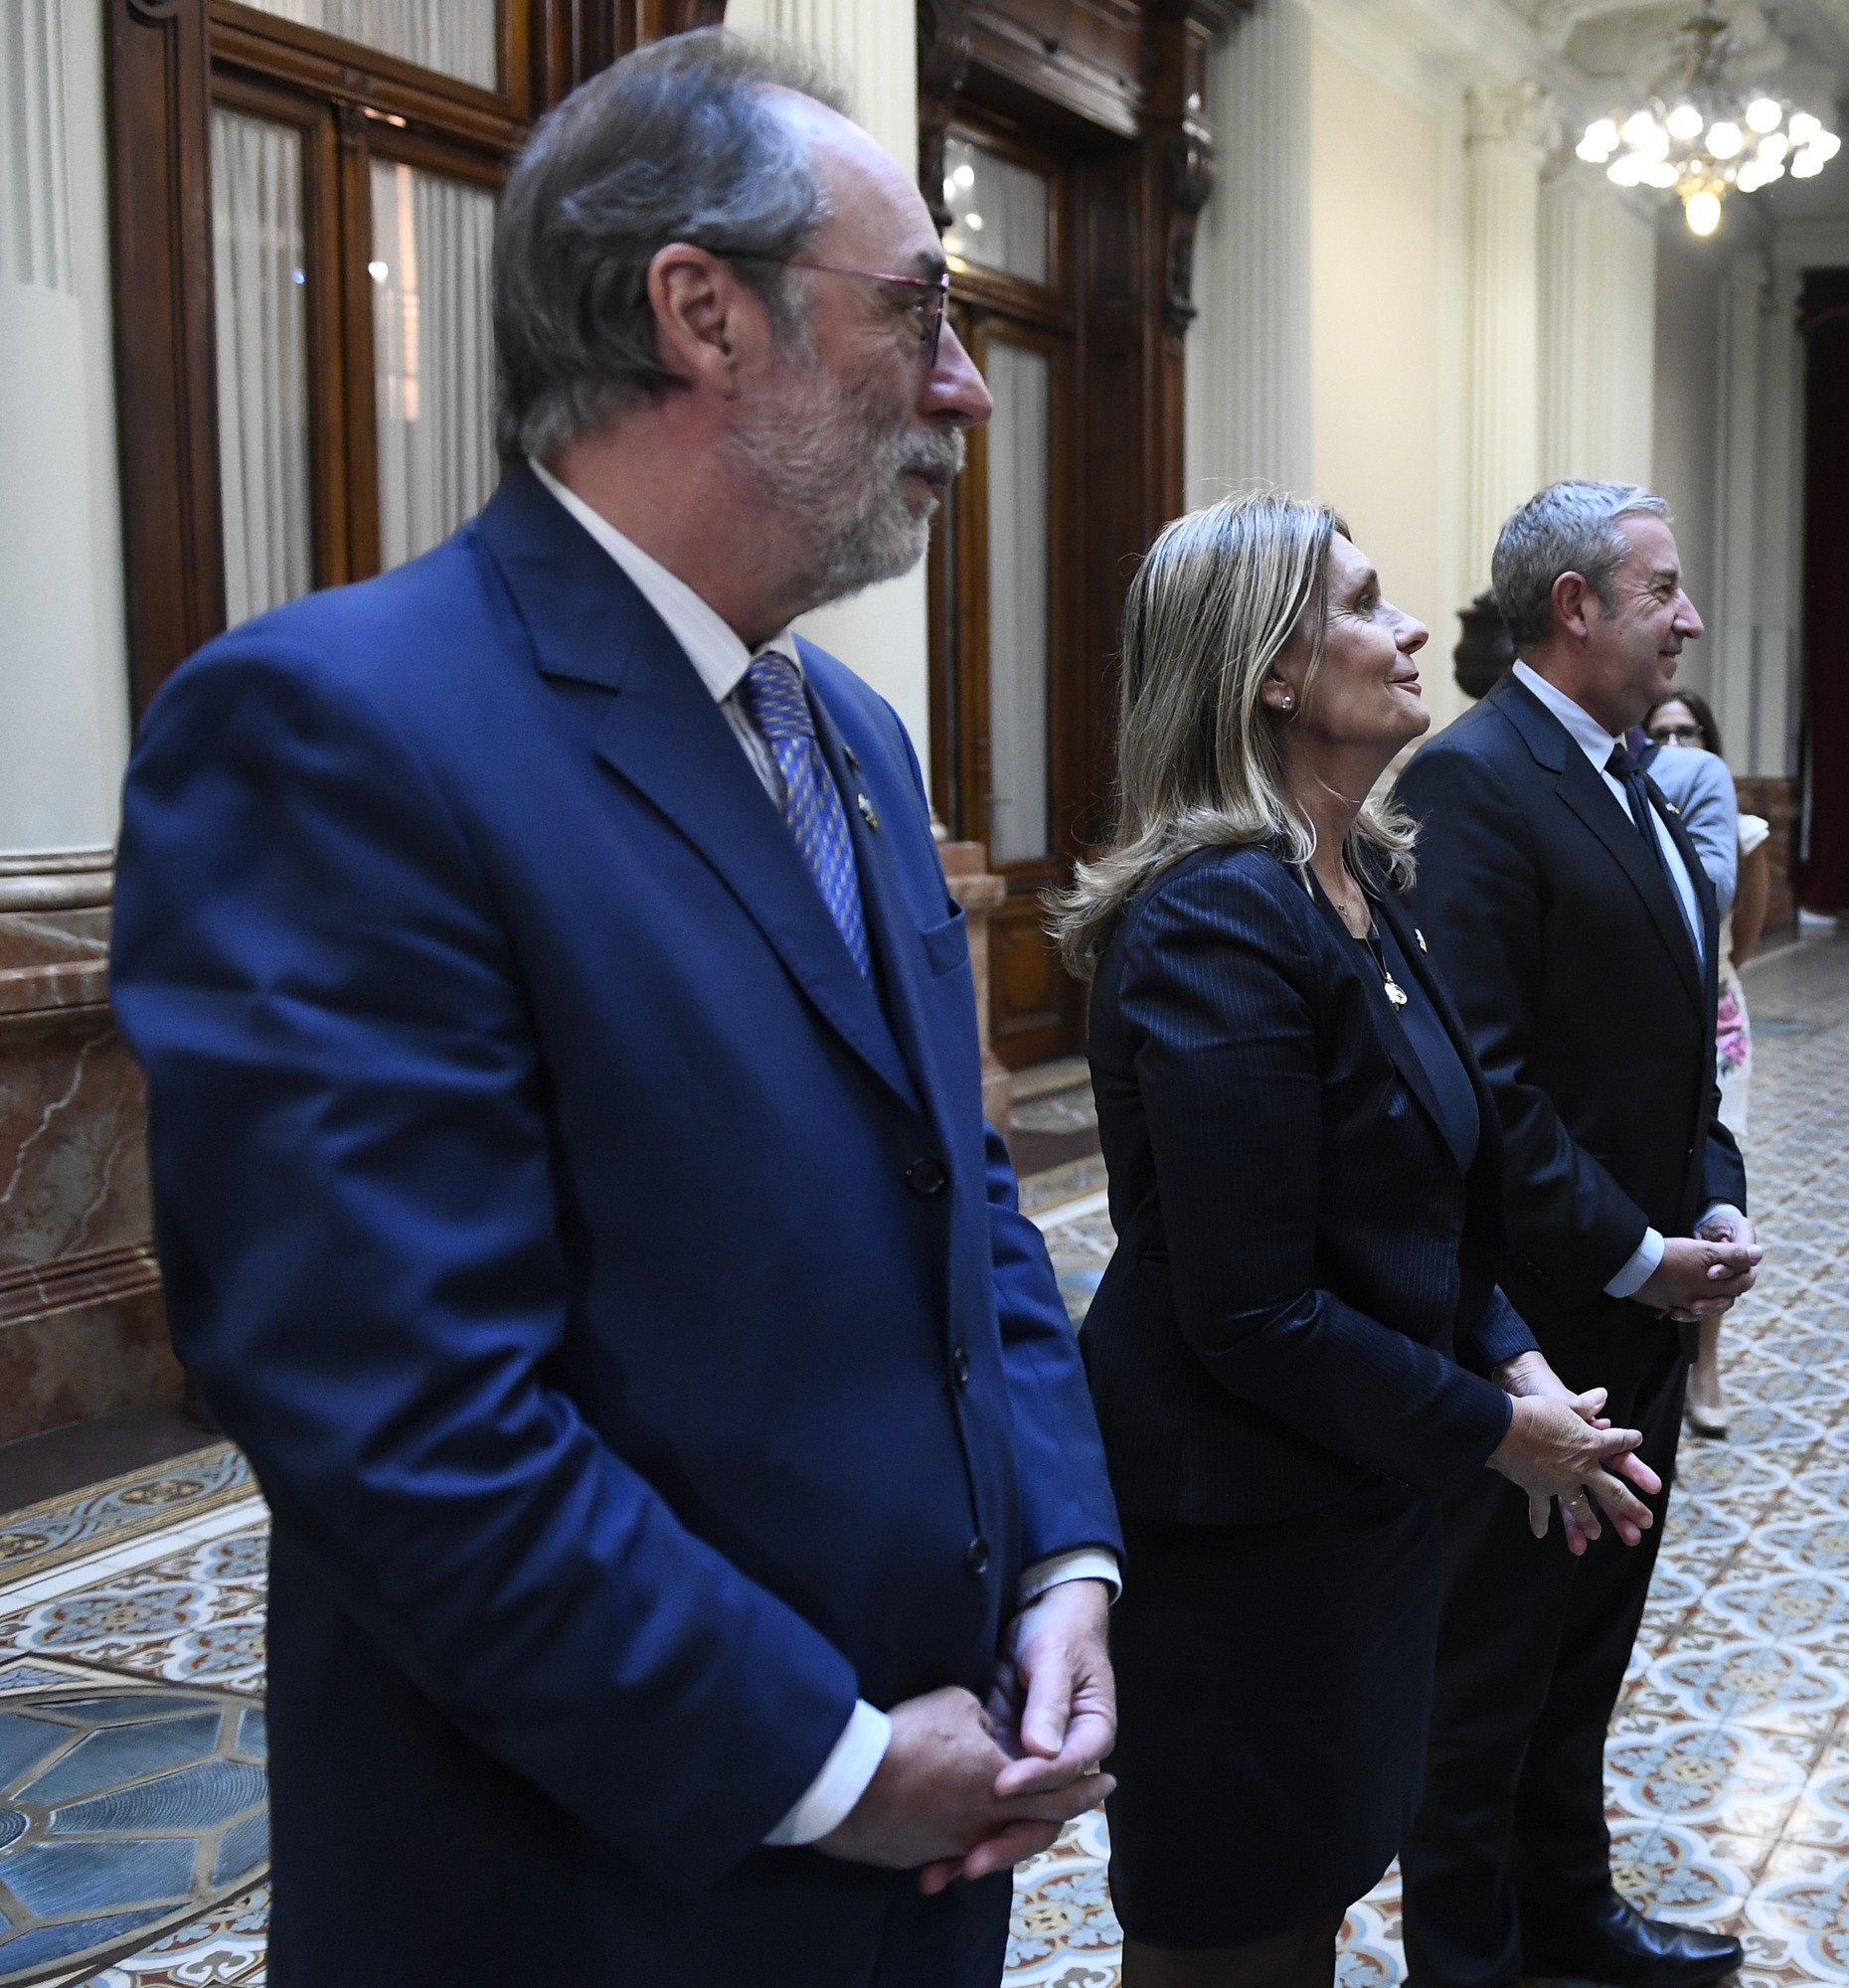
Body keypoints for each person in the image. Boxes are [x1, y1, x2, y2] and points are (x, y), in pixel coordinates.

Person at [105, 33, 1120, 1981]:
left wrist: (1066, 1561)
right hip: (592, 1878)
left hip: (933, 1822)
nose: (967, 380)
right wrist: (822, 1761)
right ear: (702, 314)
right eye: (914, 310)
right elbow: (398, 1412)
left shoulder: (858, 741)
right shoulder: (338, 730)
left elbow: (959, 1196)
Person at [1050, 493, 1666, 1988]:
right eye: (1365, 603)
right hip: (1242, 1536)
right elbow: (1252, 1313)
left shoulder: (1360, 885)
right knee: (1238, 1927)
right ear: (1270, 672)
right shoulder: (1214, 924)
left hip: (1353, 1513)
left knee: (1320, 1880)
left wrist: (1514, 1358)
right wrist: (1501, 1437)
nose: (1407, 632)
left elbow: (1427, 1206)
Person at [1399, 480, 1764, 1988]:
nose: (1688, 618)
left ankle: (1570, 1921)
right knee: (1491, 1677)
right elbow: (1492, 1082)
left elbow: (1680, 1035)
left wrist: (1718, 1185)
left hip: (1642, 1307)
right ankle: (1472, 1960)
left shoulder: (1624, 773)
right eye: (1663, 590)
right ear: (1575, 609)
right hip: (1541, 1326)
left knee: (1584, 1654)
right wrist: (1633, 1251)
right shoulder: (1475, 783)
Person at [1644, 689, 1772, 1440]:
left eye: (1691, 729)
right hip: (1646, 1021)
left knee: (1717, 1186)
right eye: (1665, 732)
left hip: (1717, 1018)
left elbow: (1743, 937)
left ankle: (1707, 1365)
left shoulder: (1740, 828)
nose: (1680, 741)